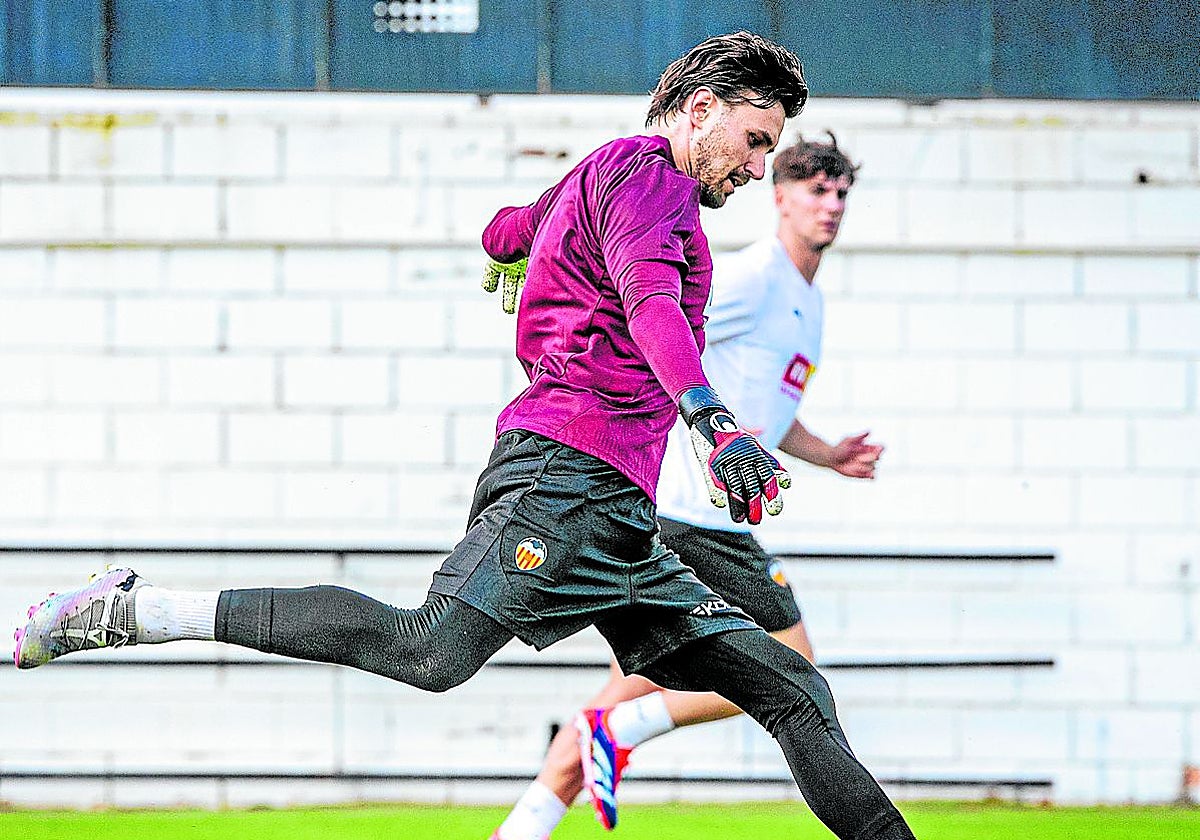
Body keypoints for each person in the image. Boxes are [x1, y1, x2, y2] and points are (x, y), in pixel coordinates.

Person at [13, 32, 915, 840]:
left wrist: (516, 253)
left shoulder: (597, 174)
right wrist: (715, 425)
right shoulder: (656, 183)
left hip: (621, 520)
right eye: (755, 141)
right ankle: (138, 610)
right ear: (701, 109)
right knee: (431, 650)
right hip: (562, 480)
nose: (757, 167)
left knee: (791, 687)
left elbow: (502, 228)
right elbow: (648, 299)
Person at [491, 134, 882, 840]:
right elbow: (663, 332)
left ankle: (527, 823)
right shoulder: (755, 279)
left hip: (698, 516)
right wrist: (697, 429)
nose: (831, 205)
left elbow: (771, 412)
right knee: (790, 662)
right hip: (692, 513)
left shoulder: (806, 298)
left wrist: (829, 455)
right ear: (781, 197)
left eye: (841, 193)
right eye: (816, 191)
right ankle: (622, 729)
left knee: (631, 684)